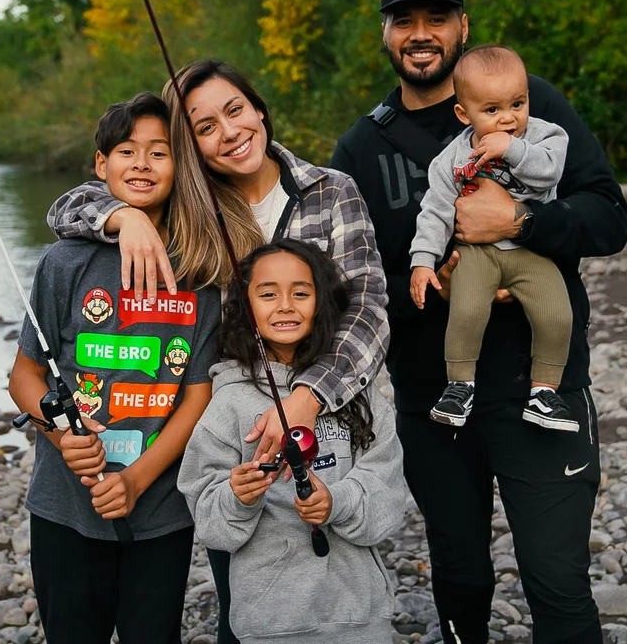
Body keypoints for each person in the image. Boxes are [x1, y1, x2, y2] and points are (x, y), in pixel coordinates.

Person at [330, 0, 627, 644]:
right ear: (385, 33)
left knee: (555, 578)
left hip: (538, 389)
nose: (421, 32)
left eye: (437, 15)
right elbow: (350, 285)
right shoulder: (360, 149)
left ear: (462, 24)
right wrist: (430, 282)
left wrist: (522, 223)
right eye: (404, 19)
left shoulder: (529, 103)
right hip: (433, 400)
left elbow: (608, 217)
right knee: (460, 572)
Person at [46, 59, 388, 644]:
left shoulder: (332, 191)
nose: (229, 132)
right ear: (192, 149)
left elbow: (369, 311)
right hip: (240, 416)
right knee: (245, 563)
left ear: (259, 109)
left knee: (343, 544)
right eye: (204, 128)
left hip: (335, 405)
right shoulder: (193, 207)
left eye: (235, 111)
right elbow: (68, 205)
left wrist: (310, 396)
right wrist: (123, 216)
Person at [8, 93, 221, 644]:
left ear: (181, 166)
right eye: (127, 151)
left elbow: (196, 398)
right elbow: (25, 377)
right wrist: (59, 433)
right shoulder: (64, 262)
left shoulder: (199, 271)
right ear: (101, 167)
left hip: (160, 512)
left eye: (159, 152)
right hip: (64, 508)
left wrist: (135, 479)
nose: (143, 164)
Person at [177, 239, 406, 644]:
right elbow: (210, 521)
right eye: (267, 294)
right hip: (270, 624)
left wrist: (337, 502)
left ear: (323, 303)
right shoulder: (228, 402)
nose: (285, 305)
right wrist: (237, 496)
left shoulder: (359, 394)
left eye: (300, 292)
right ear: (246, 309)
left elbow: (387, 494)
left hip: (361, 618)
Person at [409, 44, 576, 431]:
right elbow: (435, 211)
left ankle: (545, 394)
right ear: (464, 114)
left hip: (529, 249)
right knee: (466, 309)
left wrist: (513, 149)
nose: (508, 119)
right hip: (476, 251)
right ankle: (459, 386)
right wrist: (422, 261)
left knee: (556, 313)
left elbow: (550, 173)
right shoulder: (450, 160)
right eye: (492, 110)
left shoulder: (546, 137)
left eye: (517, 104)